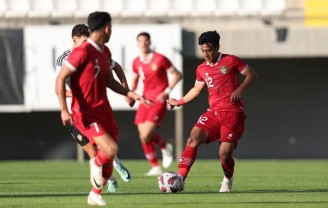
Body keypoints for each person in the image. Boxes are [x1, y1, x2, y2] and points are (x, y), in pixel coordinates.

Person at [55, 12, 152, 206]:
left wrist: (129, 93)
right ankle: (96, 167)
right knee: (109, 149)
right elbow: (59, 80)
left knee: (109, 154)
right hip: (85, 112)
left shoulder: (105, 52)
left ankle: (95, 193)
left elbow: (110, 82)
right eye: (111, 28)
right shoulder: (81, 53)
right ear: (106, 28)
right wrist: (64, 110)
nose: (111, 31)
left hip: (104, 110)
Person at [166, 30, 258, 192]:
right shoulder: (201, 69)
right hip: (213, 113)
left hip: (232, 113)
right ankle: (180, 178)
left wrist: (240, 90)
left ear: (217, 48)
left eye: (209, 50)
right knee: (193, 138)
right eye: (203, 51)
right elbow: (196, 90)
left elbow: (252, 75)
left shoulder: (231, 60)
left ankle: (227, 179)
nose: (206, 54)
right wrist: (178, 102)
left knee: (224, 154)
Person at [130, 32, 183, 176]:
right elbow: (135, 79)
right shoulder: (136, 62)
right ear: (137, 44)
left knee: (147, 133)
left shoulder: (160, 59)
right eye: (140, 41)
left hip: (158, 101)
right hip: (144, 100)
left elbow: (178, 74)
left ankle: (166, 146)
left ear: (149, 42)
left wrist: (167, 91)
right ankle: (156, 166)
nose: (143, 43)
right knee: (143, 137)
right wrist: (131, 93)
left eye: (146, 41)